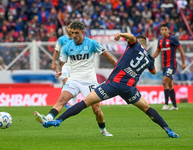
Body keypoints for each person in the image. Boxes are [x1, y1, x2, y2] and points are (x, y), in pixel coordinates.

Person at [42, 33, 179, 138]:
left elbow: (131, 37)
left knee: (86, 102)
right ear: (146, 45)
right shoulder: (149, 59)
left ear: (138, 42)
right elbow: (154, 72)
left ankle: (59, 120)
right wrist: (149, 65)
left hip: (113, 84)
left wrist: (121, 35)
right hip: (129, 88)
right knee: (147, 108)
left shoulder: (134, 45)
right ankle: (168, 130)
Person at [34, 20, 117, 136]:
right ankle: (47, 118)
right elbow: (60, 63)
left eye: (76, 33)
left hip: (89, 81)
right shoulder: (67, 47)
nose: (74, 36)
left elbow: (109, 57)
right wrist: (58, 71)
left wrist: (118, 69)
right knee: (62, 99)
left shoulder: (92, 43)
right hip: (74, 79)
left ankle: (103, 130)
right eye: (72, 33)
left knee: (96, 110)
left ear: (82, 32)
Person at [152, 24, 186, 111]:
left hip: (171, 65)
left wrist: (183, 63)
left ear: (168, 30)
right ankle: (174, 106)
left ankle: (166, 104)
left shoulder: (173, 39)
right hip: (164, 65)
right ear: (160, 31)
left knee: (164, 82)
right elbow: (157, 51)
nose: (164, 31)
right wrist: (150, 59)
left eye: (165, 29)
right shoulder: (160, 40)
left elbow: (181, 51)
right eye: (162, 29)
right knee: (170, 85)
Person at [51, 20, 74, 109]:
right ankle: (65, 102)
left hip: (74, 65)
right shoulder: (61, 39)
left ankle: (72, 103)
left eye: (71, 27)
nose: (70, 29)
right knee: (66, 81)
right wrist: (53, 63)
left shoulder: (76, 39)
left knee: (72, 83)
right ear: (66, 28)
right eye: (68, 27)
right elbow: (56, 52)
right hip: (63, 65)